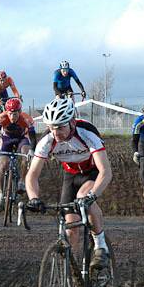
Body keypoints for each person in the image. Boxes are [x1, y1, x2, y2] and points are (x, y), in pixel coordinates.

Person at [25, 97, 112, 269]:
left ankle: (100, 245)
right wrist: (33, 198)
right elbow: (32, 175)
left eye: (60, 127)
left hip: (92, 172)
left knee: (83, 198)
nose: (56, 133)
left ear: (72, 121)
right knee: (71, 228)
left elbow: (105, 172)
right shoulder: (47, 141)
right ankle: (71, 277)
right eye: (51, 128)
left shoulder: (87, 132)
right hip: (71, 176)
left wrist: (92, 195)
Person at [0, 97, 37, 211]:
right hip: (7, 139)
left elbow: (32, 137)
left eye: (15, 114)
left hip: (22, 138)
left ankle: (21, 181)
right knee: (3, 165)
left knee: (26, 153)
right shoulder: (1, 118)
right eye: (10, 114)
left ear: (20, 112)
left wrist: (32, 150)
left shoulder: (26, 119)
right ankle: (2, 194)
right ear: (7, 112)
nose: (12, 117)